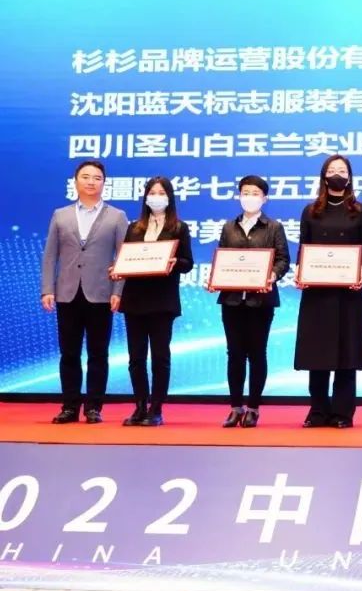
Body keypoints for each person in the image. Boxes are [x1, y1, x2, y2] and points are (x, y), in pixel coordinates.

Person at [41, 160, 128, 424]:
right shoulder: (61, 215)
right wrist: (47, 289)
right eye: (86, 176)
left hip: (101, 293)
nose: (91, 182)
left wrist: (118, 291)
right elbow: (50, 256)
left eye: (97, 178)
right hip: (67, 292)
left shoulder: (117, 216)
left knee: (98, 354)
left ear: (104, 183)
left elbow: (123, 257)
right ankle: (69, 406)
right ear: (75, 181)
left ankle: (93, 407)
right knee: (69, 353)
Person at [294, 155, 362, 429]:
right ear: (324, 176)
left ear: (349, 177)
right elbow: (303, 248)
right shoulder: (311, 211)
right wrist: (300, 272)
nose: (337, 174)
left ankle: (342, 412)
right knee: (318, 353)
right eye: (332, 170)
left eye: (342, 170)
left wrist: (361, 269)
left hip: (349, 293)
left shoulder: (360, 210)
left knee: (347, 353)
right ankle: (318, 410)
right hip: (317, 293)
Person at [210, 175, 290, 428]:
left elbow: (283, 259)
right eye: (245, 192)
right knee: (234, 354)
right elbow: (222, 258)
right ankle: (235, 407)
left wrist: (272, 274)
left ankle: (253, 408)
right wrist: (215, 277)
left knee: (257, 353)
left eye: (255, 193)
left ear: (265, 198)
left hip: (261, 301)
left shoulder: (274, 227)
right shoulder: (229, 227)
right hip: (232, 300)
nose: (250, 197)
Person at [113, 177, 194, 426]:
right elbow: (127, 259)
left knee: (160, 356)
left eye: (161, 193)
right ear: (145, 197)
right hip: (135, 300)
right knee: (136, 358)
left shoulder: (179, 228)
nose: (156, 197)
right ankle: (139, 406)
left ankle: (156, 408)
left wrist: (175, 263)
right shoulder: (134, 228)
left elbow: (188, 263)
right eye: (152, 192)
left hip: (162, 301)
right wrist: (118, 269)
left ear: (169, 197)